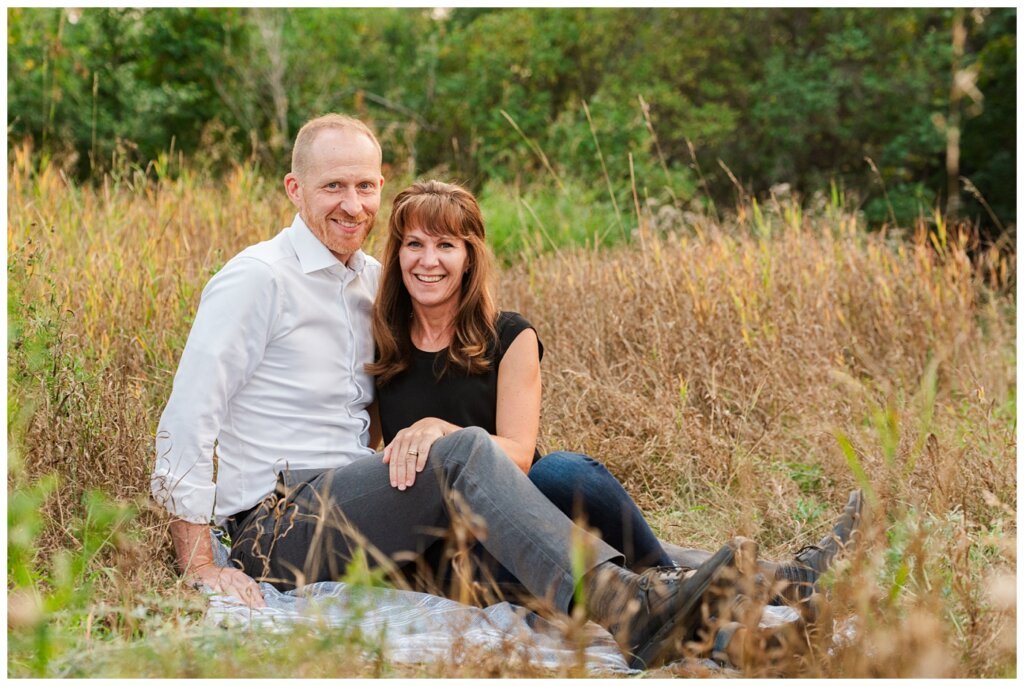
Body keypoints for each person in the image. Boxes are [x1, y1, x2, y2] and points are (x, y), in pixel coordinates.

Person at [151, 113, 751, 671]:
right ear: (294, 189)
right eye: (333, 186)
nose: (352, 204)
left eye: (365, 186)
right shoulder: (257, 279)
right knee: (462, 449)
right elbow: (187, 417)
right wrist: (200, 562)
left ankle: (771, 590)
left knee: (505, 552)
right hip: (277, 522)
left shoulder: (374, 282)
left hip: (369, 504)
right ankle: (632, 611)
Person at [368, 179, 862, 610]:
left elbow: (518, 455)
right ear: (398, 253)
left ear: (470, 256)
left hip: (522, 511)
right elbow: (369, 449)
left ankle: (670, 585)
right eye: (414, 243)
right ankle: (766, 581)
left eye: (446, 245)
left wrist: (442, 433)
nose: (427, 260)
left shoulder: (509, 336)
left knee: (559, 471)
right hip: (447, 542)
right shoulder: (381, 340)